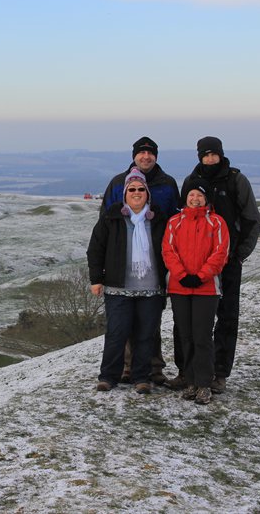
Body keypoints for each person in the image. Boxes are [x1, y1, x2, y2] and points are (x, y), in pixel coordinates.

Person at [166, 136, 260, 394]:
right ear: (199, 156)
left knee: (226, 317)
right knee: (186, 322)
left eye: (213, 155)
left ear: (221, 154)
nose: (210, 159)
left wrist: (240, 254)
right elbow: (181, 219)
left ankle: (219, 373)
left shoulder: (235, 180)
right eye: (205, 155)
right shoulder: (190, 181)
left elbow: (251, 218)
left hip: (227, 263)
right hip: (189, 268)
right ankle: (186, 371)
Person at [100, 137, 179, 384]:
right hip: (124, 267)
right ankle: (126, 368)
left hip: (154, 265)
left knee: (149, 325)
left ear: (156, 156)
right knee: (122, 326)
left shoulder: (167, 183)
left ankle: (152, 370)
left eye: (150, 153)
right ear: (134, 155)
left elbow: (175, 219)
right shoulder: (117, 182)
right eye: (141, 153)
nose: (146, 156)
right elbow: (106, 221)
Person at [88, 168, 168, 394]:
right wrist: (96, 279)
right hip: (117, 288)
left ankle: (141, 377)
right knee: (117, 333)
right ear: (124, 194)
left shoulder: (159, 219)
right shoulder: (111, 217)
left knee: (146, 335)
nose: (136, 192)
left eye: (141, 189)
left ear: (147, 193)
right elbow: (95, 249)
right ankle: (108, 376)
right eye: (131, 189)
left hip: (151, 289)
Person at [162, 178, 229, 404]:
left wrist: (201, 276)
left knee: (202, 336)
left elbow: (220, 253)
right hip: (180, 287)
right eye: (191, 195)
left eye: (199, 195)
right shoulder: (174, 222)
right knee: (185, 335)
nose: (195, 199)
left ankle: (204, 383)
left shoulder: (217, 223)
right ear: (185, 198)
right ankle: (189, 380)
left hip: (206, 288)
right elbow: (168, 251)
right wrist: (182, 275)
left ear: (206, 198)